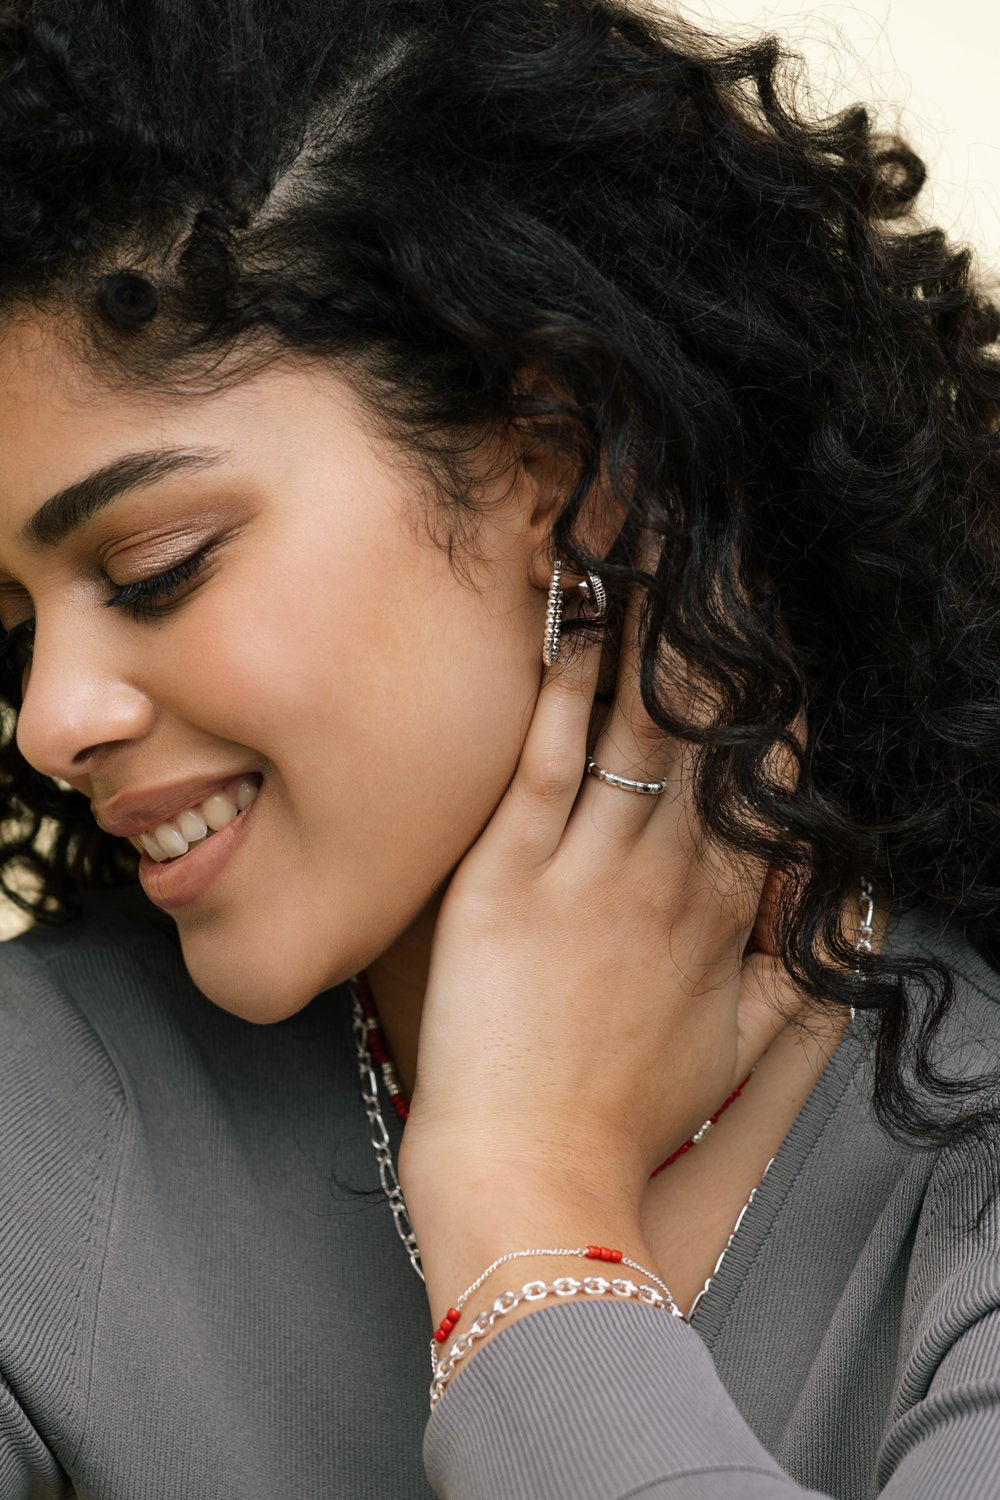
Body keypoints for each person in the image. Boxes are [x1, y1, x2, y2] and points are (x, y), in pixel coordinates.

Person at [0, 0, 997, 1495]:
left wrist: (527, 1211)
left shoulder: (959, 1165)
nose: (49, 719)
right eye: (12, 630)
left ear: (564, 468)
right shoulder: (36, 1116)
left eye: (156, 570)